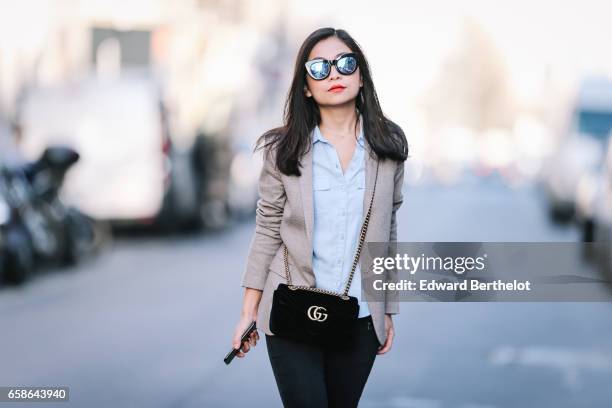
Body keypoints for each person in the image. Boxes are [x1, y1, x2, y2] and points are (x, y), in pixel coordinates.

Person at [231, 27, 408, 407]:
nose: (334, 74)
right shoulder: (284, 150)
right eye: (319, 68)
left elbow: (387, 233)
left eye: (346, 64)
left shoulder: (388, 147)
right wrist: (248, 311)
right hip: (292, 312)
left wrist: (387, 309)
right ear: (306, 87)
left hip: (358, 317)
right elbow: (266, 232)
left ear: (361, 78)